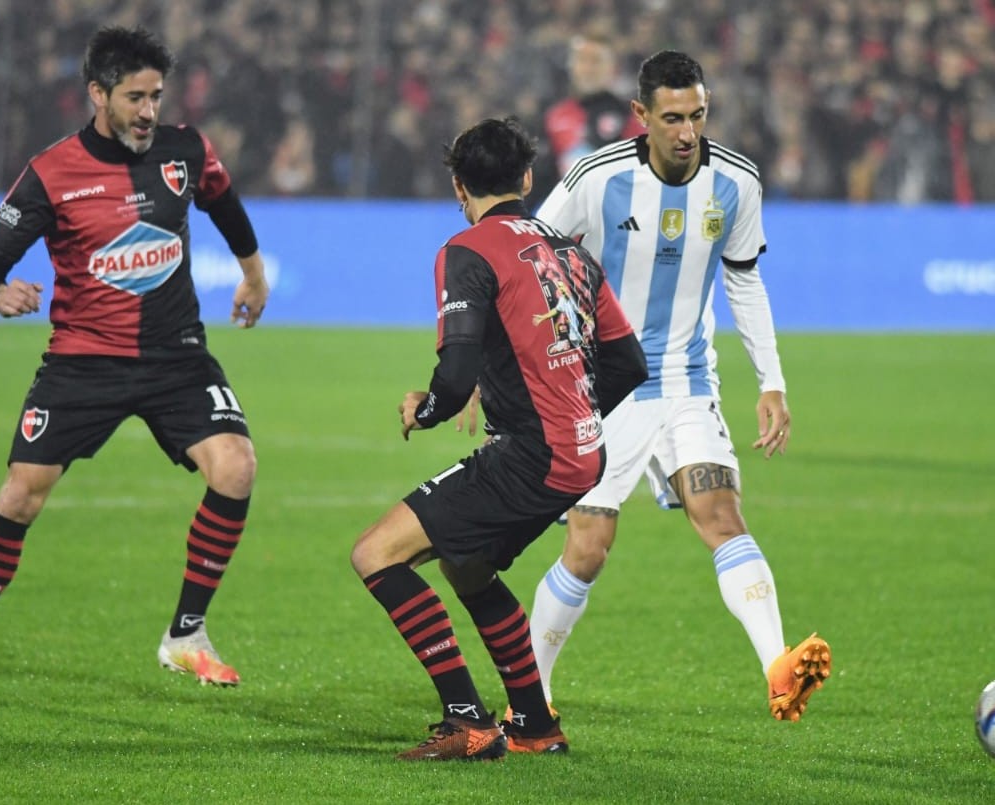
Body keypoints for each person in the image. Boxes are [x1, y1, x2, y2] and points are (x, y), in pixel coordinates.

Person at [0, 26, 268, 699]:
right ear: (97, 94)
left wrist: (253, 275)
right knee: (21, 494)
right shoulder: (52, 172)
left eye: (156, 96)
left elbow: (225, 204)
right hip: (83, 362)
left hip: (177, 357)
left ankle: (186, 634)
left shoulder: (185, 150)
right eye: (134, 97)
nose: (147, 111)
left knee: (236, 466)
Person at [528, 50, 831, 723]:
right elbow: (532, 256)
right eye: (672, 117)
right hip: (605, 389)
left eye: (697, 114)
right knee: (587, 549)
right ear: (641, 115)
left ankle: (778, 667)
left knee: (721, 515)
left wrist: (771, 381)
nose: (687, 130)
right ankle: (532, 689)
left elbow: (744, 278)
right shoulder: (596, 178)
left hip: (688, 381)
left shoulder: (736, 183)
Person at [349, 116, 646, 761]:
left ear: (459, 185)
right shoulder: (570, 251)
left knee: (376, 555)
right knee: (468, 564)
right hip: (582, 451)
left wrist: (424, 410)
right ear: (528, 178)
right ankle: (535, 725)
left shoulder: (469, 250)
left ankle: (467, 722)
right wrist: (573, 411)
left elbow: (454, 377)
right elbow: (629, 364)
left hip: (532, 453)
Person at [528, 32, 644, 209]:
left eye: (596, 61)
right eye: (582, 60)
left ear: (613, 68)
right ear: (572, 66)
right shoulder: (553, 117)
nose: (588, 68)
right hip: (566, 230)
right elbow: (541, 180)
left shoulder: (631, 117)